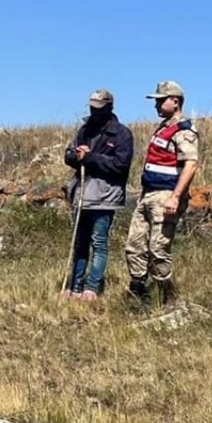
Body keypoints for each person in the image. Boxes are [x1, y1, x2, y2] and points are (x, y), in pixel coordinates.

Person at [124, 80, 201, 307]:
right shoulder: (163, 127)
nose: (156, 105)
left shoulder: (183, 130)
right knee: (134, 245)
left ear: (175, 102)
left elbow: (191, 164)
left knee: (159, 248)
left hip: (166, 195)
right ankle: (138, 290)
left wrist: (175, 196)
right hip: (148, 194)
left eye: (161, 100)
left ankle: (165, 296)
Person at [63, 89, 134, 301]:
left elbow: (120, 166)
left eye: (99, 108)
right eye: (92, 108)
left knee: (99, 242)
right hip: (82, 194)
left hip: (104, 196)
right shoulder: (84, 130)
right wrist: (76, 155)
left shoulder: (122, 134)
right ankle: (74, 287)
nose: (95, 112)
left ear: (110, 108)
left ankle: (91, 287)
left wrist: (91, 157)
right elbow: (68, 155)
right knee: (80, 242)